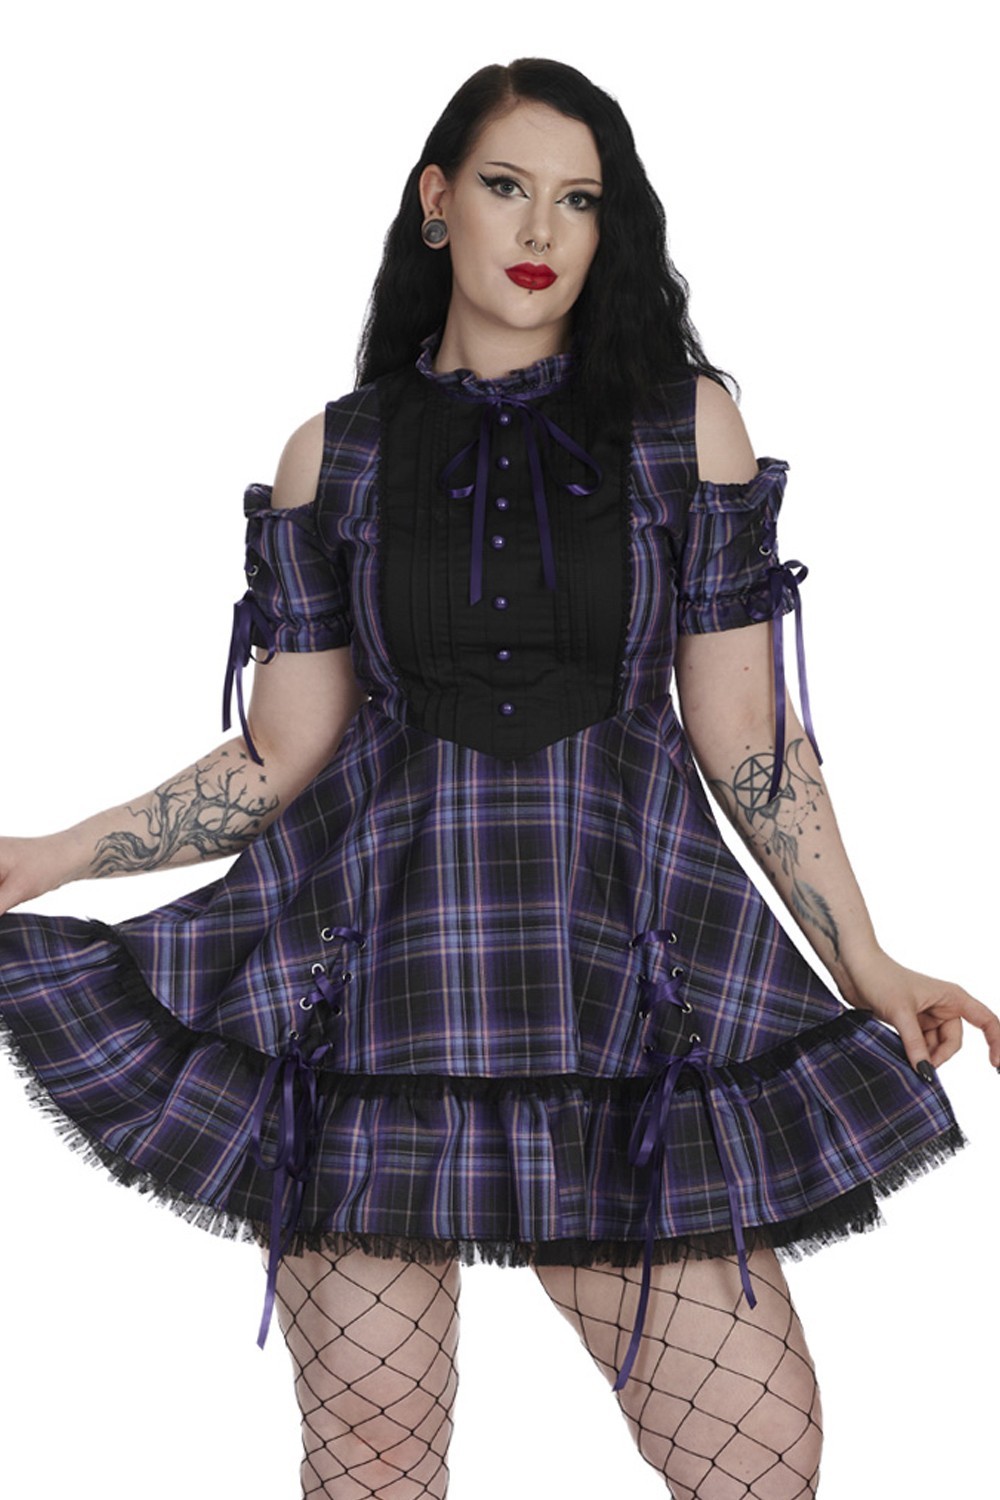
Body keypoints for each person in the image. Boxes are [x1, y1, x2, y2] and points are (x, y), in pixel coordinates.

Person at [0, 56, 996, 1500]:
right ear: (437, 201)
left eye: (579, 199)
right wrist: (48, 856)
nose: (540, 228)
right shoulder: (335, 455)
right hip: (374, 992)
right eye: (507, 186)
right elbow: (282, 752)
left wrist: (868, 959)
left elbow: (751, 736)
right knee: (377, 1457)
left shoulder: (681, 426)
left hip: (628, 989)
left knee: (763, 1455)